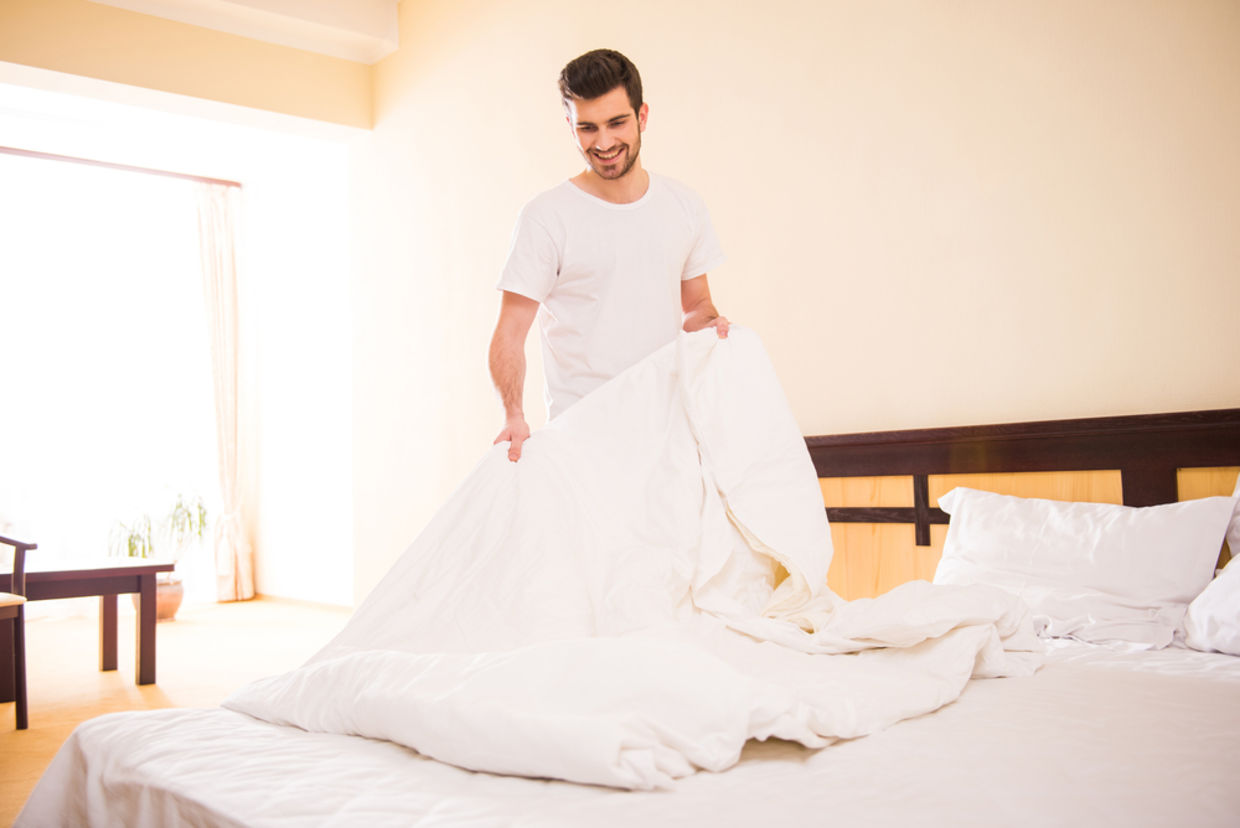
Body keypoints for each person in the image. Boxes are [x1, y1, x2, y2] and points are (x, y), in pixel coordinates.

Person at [490, 48, 730, 462]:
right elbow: (510, 332)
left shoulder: (684, 206)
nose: (603, 143)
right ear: (570, 125)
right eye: (587, 128)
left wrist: (712, 326)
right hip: (582, 443)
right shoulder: (546, 217)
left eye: (617, 123)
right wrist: (513, 413)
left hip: (669, 438)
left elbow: (697, 307)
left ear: (643, 116)